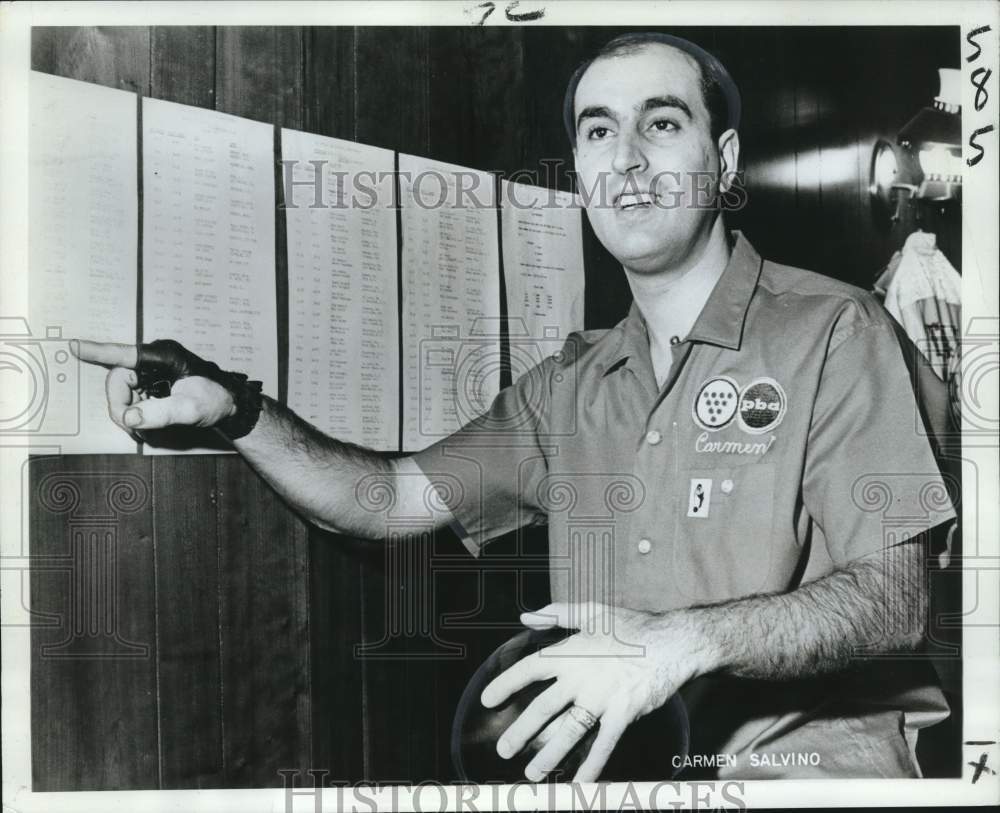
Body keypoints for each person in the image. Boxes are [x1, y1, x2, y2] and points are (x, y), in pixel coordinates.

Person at [74, 32, 955, 781]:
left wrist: (676, 642)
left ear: (722, 163)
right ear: (580, 169)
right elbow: (384, 499)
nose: (629, 159)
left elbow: (892, 598)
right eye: (599, 130)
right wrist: (235, 409)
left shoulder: (837, 330)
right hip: (626, 773)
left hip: (806, 772)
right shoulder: (568, 385)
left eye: (662, 122)